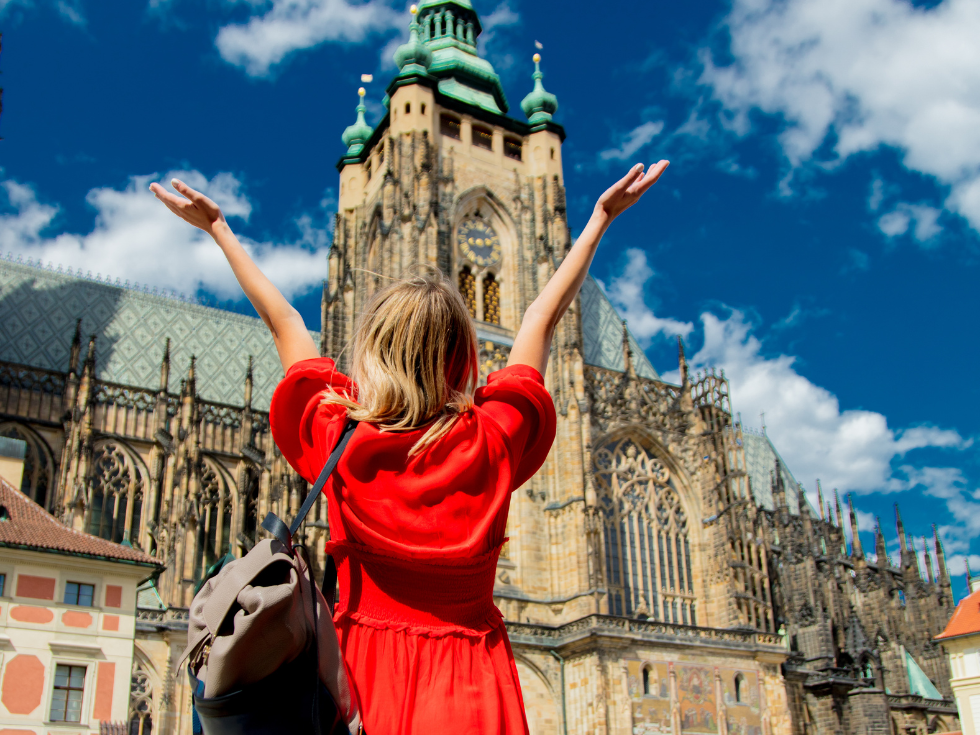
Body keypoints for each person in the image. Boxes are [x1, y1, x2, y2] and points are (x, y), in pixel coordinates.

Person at [150, 159, 669, 735]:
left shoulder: (339, 436)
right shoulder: (493, 437)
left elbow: (285, 323)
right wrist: (599, 219)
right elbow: (539, 320)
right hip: (474, 682)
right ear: (462, 357)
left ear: (374, 350)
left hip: (365, 681)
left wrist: (219, 229)